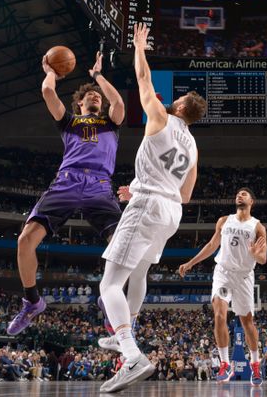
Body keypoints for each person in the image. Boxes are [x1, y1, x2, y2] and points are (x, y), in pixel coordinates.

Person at [98, 22, 207, 393]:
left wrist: (139, 46)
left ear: (178, 106)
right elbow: (187, 194)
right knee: (140, 271)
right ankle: (124, 330)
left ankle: (131, 354)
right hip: (170, 212)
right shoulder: (194, 148)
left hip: (149, 205)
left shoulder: (160, 116)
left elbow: (142, 77)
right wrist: (143, 188)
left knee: (109, 283)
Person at [7, 49, 125, 335]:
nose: (96, 97)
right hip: (67, 181)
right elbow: (48, 92)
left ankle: (109, 296)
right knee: (25, 241)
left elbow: (119, 102)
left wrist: (98, 76)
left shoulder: (111, 122)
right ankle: (32, 301)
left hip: (100, 185)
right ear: (80, 103)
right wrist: (51, 71)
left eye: (98, 96)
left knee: (126, 247)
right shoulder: (69, 121)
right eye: (90, 96)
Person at [179, 188, 267, 386]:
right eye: (237, 193)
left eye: (244, 194)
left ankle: (254, 363)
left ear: (251, 201)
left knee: (247, 323)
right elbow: (212, 245)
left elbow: (263, 258)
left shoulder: (258, 227)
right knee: (219, 315)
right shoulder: (224, 220)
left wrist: (255, 254)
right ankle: (225, 363)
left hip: (244, 276)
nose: (239, 195)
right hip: (224, 273)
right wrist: (191, 263)